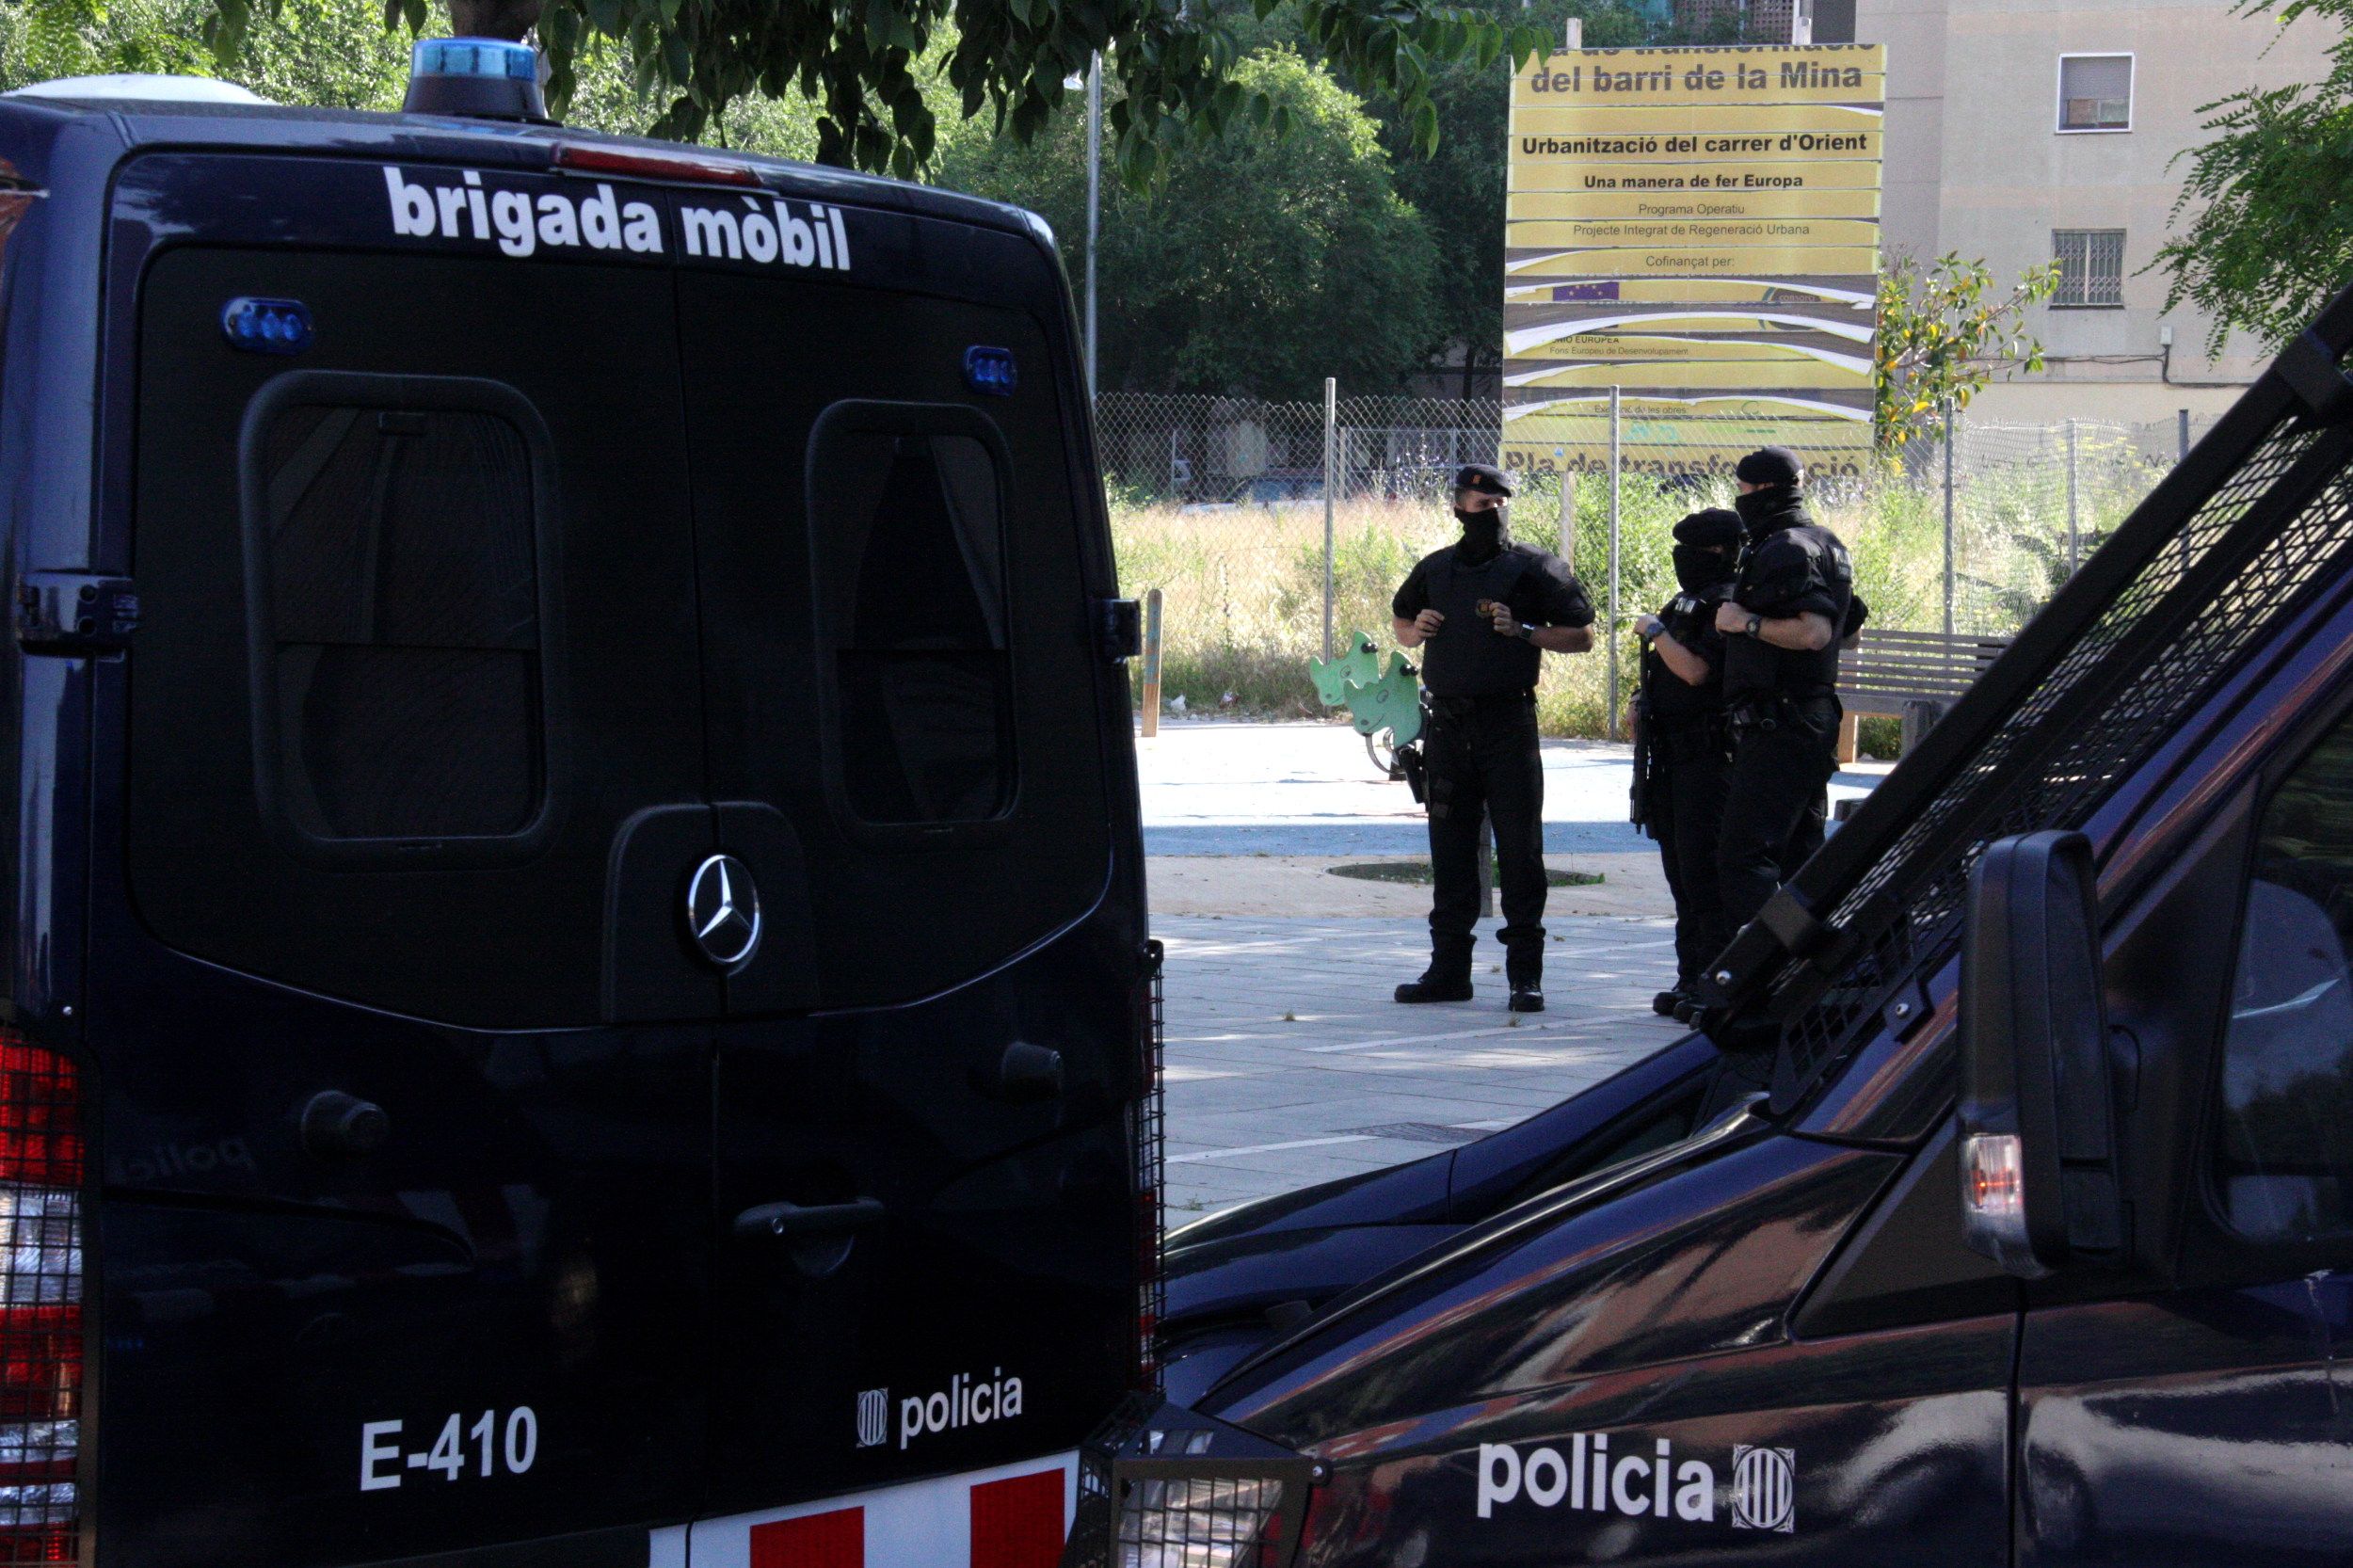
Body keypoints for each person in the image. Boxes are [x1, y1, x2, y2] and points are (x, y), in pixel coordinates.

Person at [1390, 464, 1595, 1012]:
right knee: (1450, 849)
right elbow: (1401, 619)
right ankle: (1448, 971)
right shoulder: (1437, 568)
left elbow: (1583, 635)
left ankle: (1524, 975)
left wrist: (1523, 630)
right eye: (1480, 505)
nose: (1491, 513)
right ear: (1458, 508)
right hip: (1448, 727)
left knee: (1520, 850)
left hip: (1508, 722)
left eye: (1499, 504)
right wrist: (1418, 630)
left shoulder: (1534, 569)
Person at [1714, 446, 1856, 936]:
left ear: (1761, 491)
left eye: (1745, 490)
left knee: (1744, 857)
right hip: (1808, 717)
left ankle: (1760, 981)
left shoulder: (1785, 549)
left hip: (1783, 722)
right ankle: (1809, 978)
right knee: (1802, 860)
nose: (1741, 499)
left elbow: (1815, 633)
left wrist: (1746, 623)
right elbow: (1849, 629)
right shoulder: (1827, 543)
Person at [1630, 507, 1742, 1021]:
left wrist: (1656, 634)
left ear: (1720, 552)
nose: (1683, 560)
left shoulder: (1725, 606)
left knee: (1704, 875)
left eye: (1694, 551)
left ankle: (1714, 979)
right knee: (1680, 873)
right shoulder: (1683, 603)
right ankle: (1689, 974)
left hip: (1707, 754)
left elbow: (1696, 671)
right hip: (1671, 754)